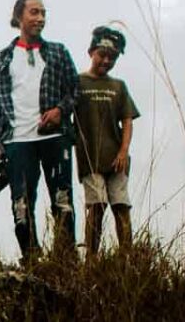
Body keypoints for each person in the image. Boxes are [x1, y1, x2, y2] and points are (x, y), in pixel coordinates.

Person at [0, 0, 79, 260]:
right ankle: (31, 260)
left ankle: (65, 260)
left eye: (43, 13)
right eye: (34, 12)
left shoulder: (58, 52)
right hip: (18, 140)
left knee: (62, 200)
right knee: (21, 205)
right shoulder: (3, 58)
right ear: (19, 17)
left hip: (54, 137)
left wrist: (60, 110)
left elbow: (75, 89)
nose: (40, 18)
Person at [75, 26, 139, 255]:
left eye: (112, 58)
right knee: (97, 205)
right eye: (102, 55)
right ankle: (91, 257)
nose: (106, 61)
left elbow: (127, 120)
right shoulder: (78, 82)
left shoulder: (118, 86)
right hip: (90, 157)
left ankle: (128, 257)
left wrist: (123, 151)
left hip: (116, 158)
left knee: (121, 206)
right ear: (91, 51)